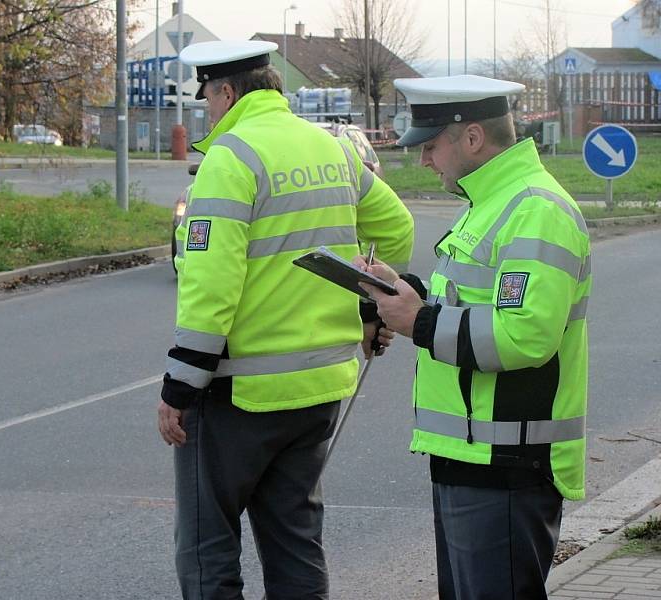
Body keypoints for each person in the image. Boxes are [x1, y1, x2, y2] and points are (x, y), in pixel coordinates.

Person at [157, 40, 414, 600]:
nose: (206, 112)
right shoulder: (332, 150)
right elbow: (396, 232)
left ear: (226, 92)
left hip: (237, 393)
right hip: (320, 387)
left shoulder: (231, 157)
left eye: (206, 100)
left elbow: (210, 284)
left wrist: (181, 385)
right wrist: (368, 306)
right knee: (295, 542)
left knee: (207, 549)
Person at [358, 74, 591, 600]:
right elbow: (470, 305)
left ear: (471, 138)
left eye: (431, 146)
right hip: (471, 456)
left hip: (506, 463)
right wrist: (402, 292)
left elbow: (526, 337)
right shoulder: (490, 203)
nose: (423, 161)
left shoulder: (535, 210)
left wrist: (417, 320)